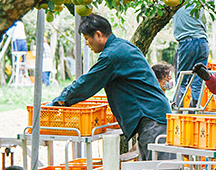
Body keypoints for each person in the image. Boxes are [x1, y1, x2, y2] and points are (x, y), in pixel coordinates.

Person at [51, 15, 170, 161]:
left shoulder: (112, 55)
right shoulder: (122, 46)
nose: (87, 44)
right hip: (152, 116)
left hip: (152, 119)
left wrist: (61, 100)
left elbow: (88, 82)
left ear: (98, 35)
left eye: (87, 39)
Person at [172, 5, 210, 109]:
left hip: (187, 42)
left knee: (182, 79)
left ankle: (177, 110)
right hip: (203, 42)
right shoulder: (198, 1)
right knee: (198, 79)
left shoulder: (176, 1)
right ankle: (193, 110)